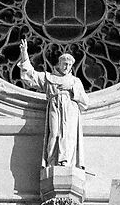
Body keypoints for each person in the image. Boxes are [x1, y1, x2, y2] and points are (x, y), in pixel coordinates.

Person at [16, 37, 87, 173]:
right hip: (55, 106)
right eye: (64, 64)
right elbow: (31, 76)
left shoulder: (75, 81)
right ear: (59, 64)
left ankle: (66, 162)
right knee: (54, 133)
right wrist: (24, 54)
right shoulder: (49, 78)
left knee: (69, 136)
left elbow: (85, 101)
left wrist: (72, 91)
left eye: (69, 65)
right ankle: (52, 161)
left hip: (71, 109)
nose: (66, 67)